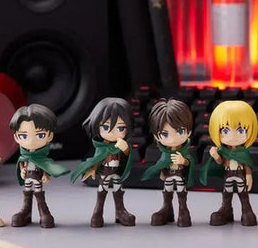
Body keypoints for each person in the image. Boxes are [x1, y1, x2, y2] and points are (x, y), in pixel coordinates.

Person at [71, 98, 135, 228]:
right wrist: (92, 169)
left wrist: (125, 149)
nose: (112, 132)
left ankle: (120, 211)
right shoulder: (101, 146)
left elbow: (127, 157)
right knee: (102, 191)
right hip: (105, 171)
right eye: (106, 127)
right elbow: (97, 159)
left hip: (117, 171)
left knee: (118, 190)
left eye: (120, 128)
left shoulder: (121, 144)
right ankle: (98, 212)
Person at [10, 104, 69, 228]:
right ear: (16, 137)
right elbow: (22, 164)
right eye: (24, 136)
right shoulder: (24, 156)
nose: (31, 141)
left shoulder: (42, 158)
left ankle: (44, 211)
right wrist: (22, 170)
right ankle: (25, 211)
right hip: (28, 177)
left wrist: (45, 175)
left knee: (38, 193)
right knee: (27, 192)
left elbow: (45, 165)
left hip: (37, 176)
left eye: (40, 135)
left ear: (50, 136)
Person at [200, 100, 258, 226]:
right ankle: (226, 210)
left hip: (240, 174)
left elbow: (246, 163)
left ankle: (247, 211)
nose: (232, 137)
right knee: (227, 194)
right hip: (228, 174)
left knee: (243, 195)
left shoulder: (243, 152)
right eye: (225, 131)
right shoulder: (223, 151)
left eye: (241, 130)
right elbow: (221, 162)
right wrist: (216, 156)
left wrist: (248, 175)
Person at [142, 99, 194, 227]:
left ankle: (183, 210)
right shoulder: (165, 153)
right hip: (169, 175)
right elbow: (161, 163)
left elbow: (190, 162)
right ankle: (167, 209)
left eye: (180, 132)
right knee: (167, 193)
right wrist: (162, 171)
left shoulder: (184, 151)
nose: (173, 139)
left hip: (179, 174)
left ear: (189, 132)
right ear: (156, 136)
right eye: (165, 134)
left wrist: (184, 161)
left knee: (181, 193)